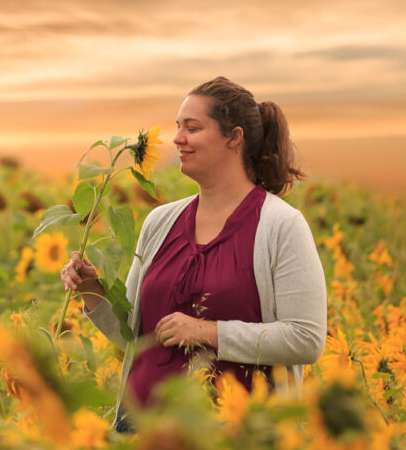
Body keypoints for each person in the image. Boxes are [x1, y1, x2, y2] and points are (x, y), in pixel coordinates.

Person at [60, 76, 327, 431]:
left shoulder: (280, 226)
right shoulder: (160, 222)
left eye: (192, 127)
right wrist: (92, 290)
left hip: (234, 430)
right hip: (142, 425)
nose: (178, 139)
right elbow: (136, 338)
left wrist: (209, 332)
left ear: (234, 138)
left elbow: (305, 339)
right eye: (178, 127)